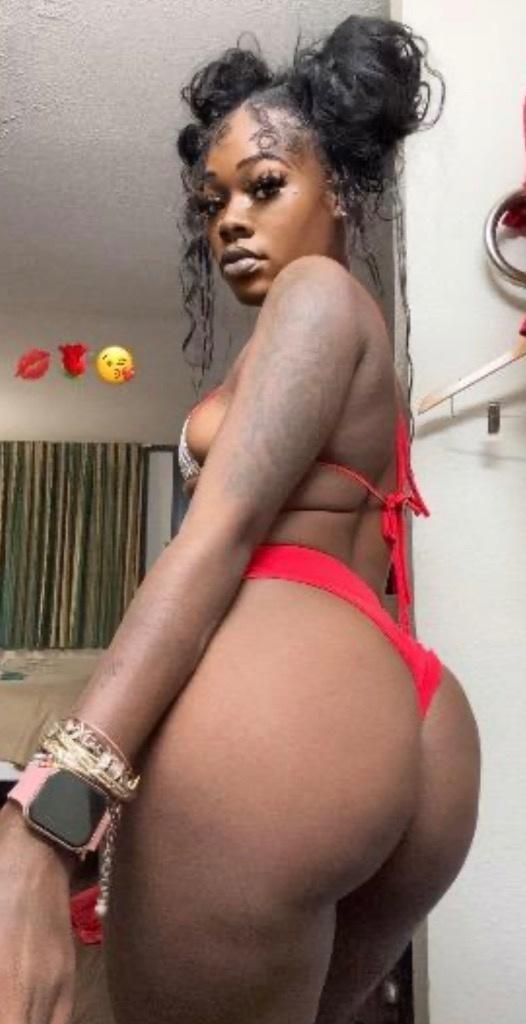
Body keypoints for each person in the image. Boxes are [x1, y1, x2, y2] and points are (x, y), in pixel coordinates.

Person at [0, 14, 480, 1024]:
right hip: (412, 712)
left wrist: (46, 820)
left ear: (338, 188)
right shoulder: (344, 331)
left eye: (263, 185)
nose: (229, 220)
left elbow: (216, 533)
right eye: (212, 201)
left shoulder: (316, 293)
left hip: (280, 708)